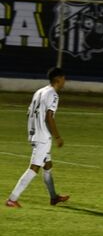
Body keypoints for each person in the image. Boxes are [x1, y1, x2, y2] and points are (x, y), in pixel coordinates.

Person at [6, 67, 69, 208]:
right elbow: (49, 116)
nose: (65, 81)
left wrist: (32, 130)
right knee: (34, 168)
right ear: (57, 79)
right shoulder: (53, 94)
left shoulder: (39, 91)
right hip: (43, 136)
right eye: (64, 78)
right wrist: (57, 137)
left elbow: (29, 113)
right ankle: (12, 199)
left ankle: (54, 197)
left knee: (48, 165)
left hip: (35, 133)